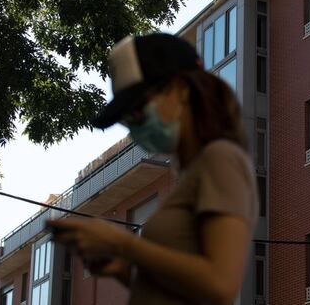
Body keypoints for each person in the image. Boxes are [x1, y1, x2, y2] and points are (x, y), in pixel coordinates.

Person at [47, 33, 259, 305]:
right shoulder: (193, 172)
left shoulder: (221, 158)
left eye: (137, 111)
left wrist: (122, 244)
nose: (133, 128)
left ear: (181, 88)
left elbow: (220, 284)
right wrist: (125, 272)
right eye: (126, 121)